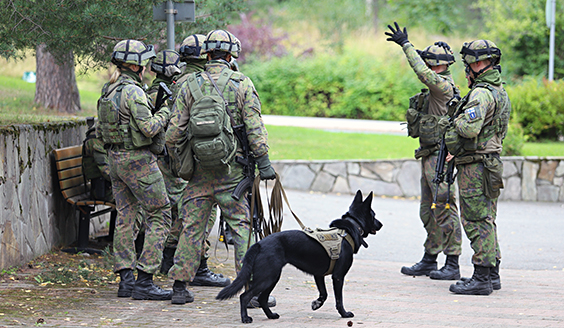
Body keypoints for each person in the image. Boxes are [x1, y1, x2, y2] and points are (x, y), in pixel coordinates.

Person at [165, 29, 276, 305]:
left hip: (199, 175)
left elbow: (172, 135)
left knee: (191, 228)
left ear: (207, 54)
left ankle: (179, 287)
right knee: (242, 230)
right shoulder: (242, 83)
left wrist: (184, 164)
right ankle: (250, 292)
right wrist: (264, 164)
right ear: (230, 55)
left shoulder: (190, 84)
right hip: (233, 176)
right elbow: (254, 129)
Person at [96, 39, 174, 301]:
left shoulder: (108, 90)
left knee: (126, 218)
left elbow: (99, 132)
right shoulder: (133, 92)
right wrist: (165, 110)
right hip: (138, 161)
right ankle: (146, 279)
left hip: (115, 160)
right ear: (135, 65)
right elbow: (150, 128)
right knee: (161, 213)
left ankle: (126, 280)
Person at [385, 22, 462, 280]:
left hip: (440, 156)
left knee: (445, 207)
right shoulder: (437, 81)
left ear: (438, 67)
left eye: (430, 63)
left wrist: (406, 46)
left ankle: (452, 263)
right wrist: (412, 48)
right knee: (427, 210)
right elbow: (425, 68)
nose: (427, 67)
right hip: (428, 154)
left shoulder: (442, 86)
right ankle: (430, 258)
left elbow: (422, 72)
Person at [149, 45, 230, 288]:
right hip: (208, 161)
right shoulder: (214, 82)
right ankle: (198, 266)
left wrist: (176, 158)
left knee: (185, 213)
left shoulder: (180, 83)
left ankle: (175, 269)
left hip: (178, 158)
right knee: (200, 215)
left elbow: (172, 132)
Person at [445, 40, 510, 295]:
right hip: (490, 162)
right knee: (488, 219)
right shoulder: (499, 90)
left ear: (478, 64)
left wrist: (457, 120)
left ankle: (481, 278)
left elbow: (470, 128)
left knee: (475, 220)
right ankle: (492, 274)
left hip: (476, 166)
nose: (466, 70)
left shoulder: (481, 93)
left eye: (468, 64)